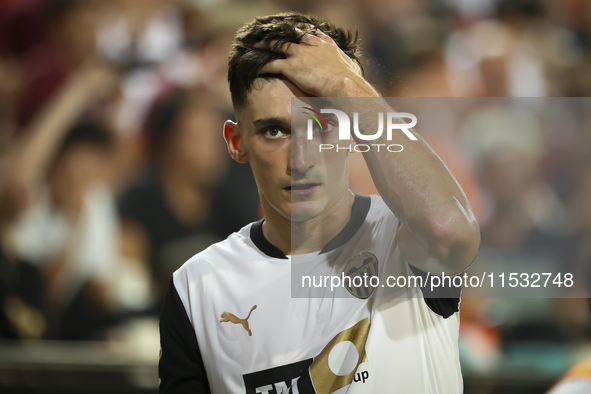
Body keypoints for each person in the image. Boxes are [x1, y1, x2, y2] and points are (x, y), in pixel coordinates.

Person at [159, 12, 480, 394]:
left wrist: (347, 83)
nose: (301, 160)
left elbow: (450, 229)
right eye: (274, 131)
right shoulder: (198, 288)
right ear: (236, 141)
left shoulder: (403, 237)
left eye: (321, 126)